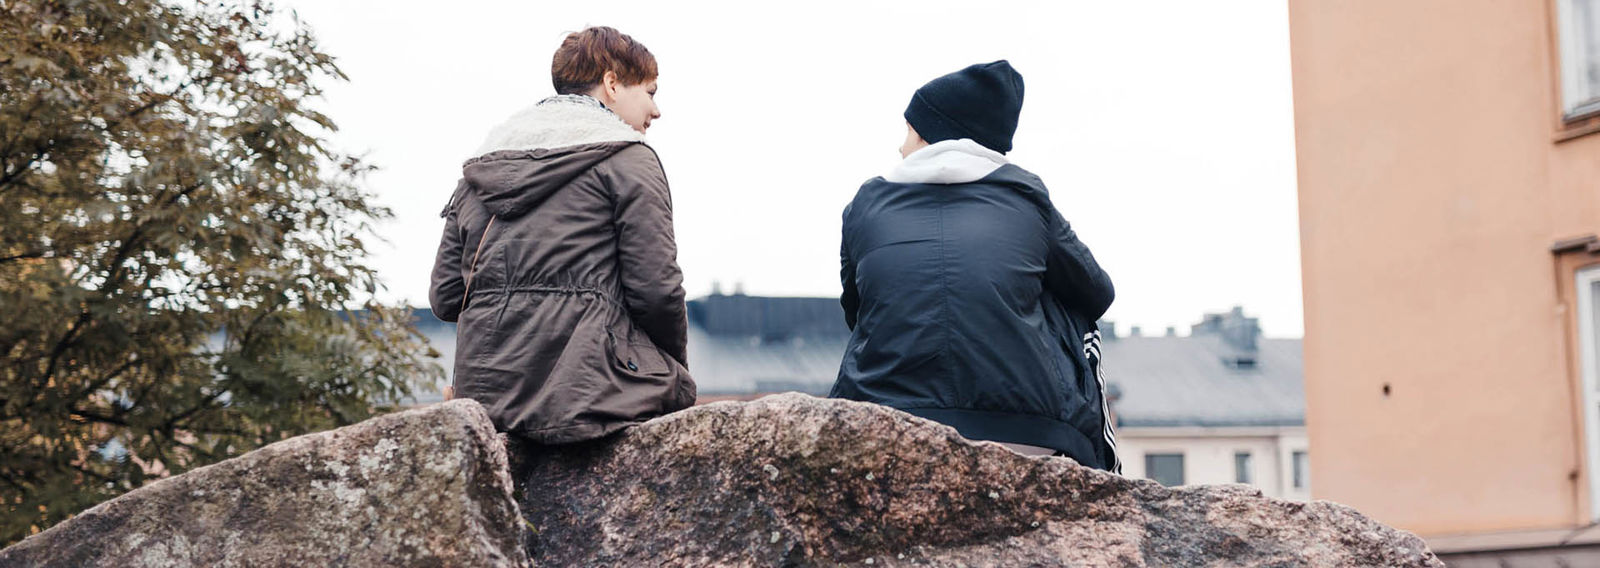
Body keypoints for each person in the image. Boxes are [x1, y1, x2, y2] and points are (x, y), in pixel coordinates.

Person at [830, 60, 1120, 472]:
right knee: (1066, 293)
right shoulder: (1025, 194)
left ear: (932, 133)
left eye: (910, 130)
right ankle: (1105, 474)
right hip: (1029, 432)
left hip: (881, 420)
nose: (901, 146)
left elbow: (855, 310)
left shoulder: (867, 202)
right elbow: (1098, 294)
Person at [429, 26, 694, 444]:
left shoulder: (479, 170)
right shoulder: (630, 160)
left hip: (485, 403)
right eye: (650, 92)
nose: (656, 111)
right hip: (590, 395)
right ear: (611, 83)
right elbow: (656, 290)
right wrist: (674, 370)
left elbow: (445, 297)